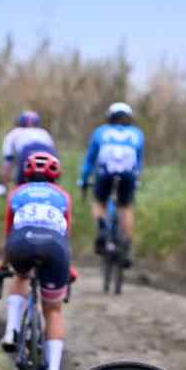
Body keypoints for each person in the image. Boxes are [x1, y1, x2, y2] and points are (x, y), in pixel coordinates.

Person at [0, 152, 75, 370]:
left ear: (26, 174)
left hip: (21, 243)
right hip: (55, 248)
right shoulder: (63, 197)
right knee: (53, 309)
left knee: (20, 276)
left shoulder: (17, 193)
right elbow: (65, 235)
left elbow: (10, 232)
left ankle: (11, 331)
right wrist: (68, 268)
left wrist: (2, 265)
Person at [79, 102, 146, 266]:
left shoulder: (101, 132)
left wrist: (84, 179)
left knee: (99, 201)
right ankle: (128, 246)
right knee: (126, 207)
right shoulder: (137, 134)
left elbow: (90, 160)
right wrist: (137, 179)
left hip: (105, 173)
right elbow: (139, 161)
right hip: (129, 175)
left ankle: (102, 228)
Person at [0, 110, 57, 196]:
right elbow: (54, 154)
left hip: (27, 153)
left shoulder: (14, 132)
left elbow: (7, 162)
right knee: (52, 187)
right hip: (49, 153)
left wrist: (3, 185)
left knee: (22, 189)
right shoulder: (44, 132)